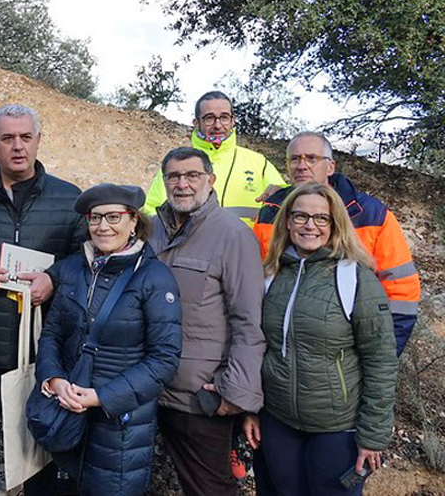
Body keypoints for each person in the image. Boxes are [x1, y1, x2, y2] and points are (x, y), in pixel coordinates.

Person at [0, 104, 87, 496]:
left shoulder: (70, 199)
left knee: (42, 446)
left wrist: (54, 280)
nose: (18, 147)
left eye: (26, 137)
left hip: (46, 354)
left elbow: (85, 263)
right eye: (8, 138)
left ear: (39, 140)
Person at [243, 182, 397, 496]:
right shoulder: (271, 274)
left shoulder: (355, 278)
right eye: (300, 216)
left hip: (336, 428)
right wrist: (251, 409)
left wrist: (372, 436)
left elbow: (380, 360)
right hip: (277, 421)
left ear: (335, 224)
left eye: (321, 218)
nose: (310, 225)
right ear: (286, 221)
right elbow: (256, 348)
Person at [36, 184, 182, 495]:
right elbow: (52, 333)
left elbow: (163, 359)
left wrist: (101, 397)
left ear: (133, 221)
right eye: (95, 218)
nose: (103, 227)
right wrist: (53, 378)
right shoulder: (76, 269)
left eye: (114, 217)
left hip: (120, 424)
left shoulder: (154, 278)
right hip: (67, 409)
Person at [147, 147, 265, 496]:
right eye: (174, 177)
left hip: (199, 397)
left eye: (192, 176)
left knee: (211, 490)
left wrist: (237, 392)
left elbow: (249, 320)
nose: (182, 184)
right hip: (148, 389)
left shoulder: (232, 235)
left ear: (210, 181)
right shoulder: (150, 231)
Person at [254, 132, 420, 355]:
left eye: (311, 158)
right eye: (295, 159)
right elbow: (254, 283)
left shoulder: (370, 215)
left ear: (330, 166)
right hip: (278, 354)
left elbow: (402, 293)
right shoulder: (270, 213)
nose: (302, 166)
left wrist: (383, 356)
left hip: (345, 355)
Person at [144, 91, 284, 227]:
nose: (218, 125)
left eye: (224, 117)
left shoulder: (259, 163)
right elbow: (153, 212)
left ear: (233, 120)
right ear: (196, 122)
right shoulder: (176, 165)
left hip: (245, 248)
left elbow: (289, 201)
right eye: (209, 118)